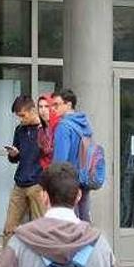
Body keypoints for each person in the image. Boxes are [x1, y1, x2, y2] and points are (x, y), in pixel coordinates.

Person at [3, 96, 45, 241]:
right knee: (10, 227)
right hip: (19, 184)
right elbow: (15, 159)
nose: (20, 119)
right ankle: (7, 261)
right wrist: (13, 154)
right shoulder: (19, 130)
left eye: (22, 115)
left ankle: (40, 262)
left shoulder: (45, 129)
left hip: (38, 185)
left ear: (33, 110)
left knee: (40, 228)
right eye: (18, 116)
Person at [51, 90, 97, 222]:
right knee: (83, 220)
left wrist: (51, 183)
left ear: (69, 104)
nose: (53, 109)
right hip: (85, 178)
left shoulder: (64, 126)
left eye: (57, 105)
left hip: (67, 182)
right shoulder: (85, 124)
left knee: (68, 224)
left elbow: (59, 162)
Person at [35, 94, 57, 171]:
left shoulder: (59, 126)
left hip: (59, 174)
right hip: (45, 173)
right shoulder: (40, 130)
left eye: (46, 106)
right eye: (40, 107)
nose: (43, 110)